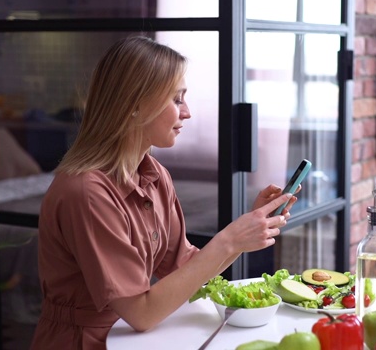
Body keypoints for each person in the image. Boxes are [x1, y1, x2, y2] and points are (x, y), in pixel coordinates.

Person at [30, 35, 299, 349]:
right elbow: (141, 313)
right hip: (86, 341)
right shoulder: (87, 193)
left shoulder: (155, 175)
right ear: (134, 104)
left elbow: (184, 267)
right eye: (176, 99)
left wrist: (245, 232)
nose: (186, 113)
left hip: (133, 337)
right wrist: (228, 240)